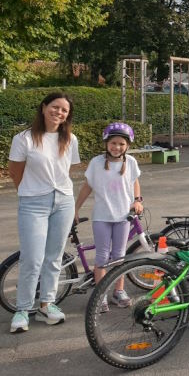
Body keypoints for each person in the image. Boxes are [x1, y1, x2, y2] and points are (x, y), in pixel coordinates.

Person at [8, 92, 80, 333]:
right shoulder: (24, 138)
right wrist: (30, 191)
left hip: (63, 201)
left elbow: (66, 170)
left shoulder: (70, 139)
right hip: (33, 203)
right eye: (55, 107)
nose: (59, 112)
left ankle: (47, 304)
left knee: (54, 257)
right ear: (43, 107)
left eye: (64, 110)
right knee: (32, 258)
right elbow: (15, 171)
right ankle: (22, 309)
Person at [74, 122, 143, 313]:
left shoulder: (130, 162)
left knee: (119, 257)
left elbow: (134, 181)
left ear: (127, 146)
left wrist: (137, 200)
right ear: (106, 143)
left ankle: (119, 291)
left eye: (121, 144)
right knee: (103, 256)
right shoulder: (96, 163)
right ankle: (100, 293)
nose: (117, 147)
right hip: (102, 216)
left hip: (123, 216)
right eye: (113, 143)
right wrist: (76, 208)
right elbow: (87, 186)